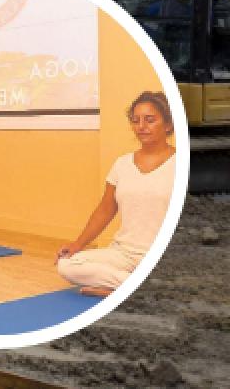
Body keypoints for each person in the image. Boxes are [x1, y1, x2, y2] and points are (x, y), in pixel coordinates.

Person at [56, 91, 176, 297]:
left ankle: (125, 286)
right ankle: (137, 286)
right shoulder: (122, 164)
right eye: (135, 120)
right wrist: (77, 244)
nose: (141, 126)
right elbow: (104, 210)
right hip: (123, 254)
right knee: (67, 265)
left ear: (168, 125)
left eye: (150, 120)